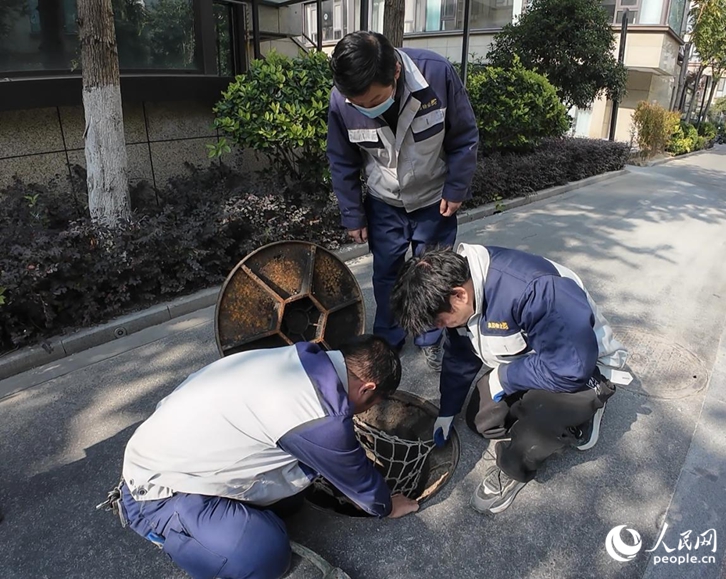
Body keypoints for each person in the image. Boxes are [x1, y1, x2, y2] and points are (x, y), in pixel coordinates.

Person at [110, 335, 418, 579]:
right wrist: (387, 506)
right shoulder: (319, 414)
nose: (364, 412)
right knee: (264, 556)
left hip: (170, 450)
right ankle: (173, 532)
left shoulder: (302, 357)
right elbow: (359, 480)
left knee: (293, 501)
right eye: (371, 403)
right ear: (367, 388)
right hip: (157, 492)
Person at [390, 244, 631, 514]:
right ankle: (548, 416)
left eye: (440, 322)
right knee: (481, 421)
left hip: (584, 367)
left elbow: (572, 367)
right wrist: (447, 411)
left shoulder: (536, 290)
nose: (440, 328)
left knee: (539, 423)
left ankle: (574, 419)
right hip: (531, 362)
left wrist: (505, 378)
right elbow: (459, 356)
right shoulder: (461, 290)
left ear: (458, 295)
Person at [326, 31, 479, 370]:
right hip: (384, 203)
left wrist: (456, 189)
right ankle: (388, 340)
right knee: (386, 275)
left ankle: (430, 337)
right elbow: (342, 161)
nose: (366, 109)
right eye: (359, 105)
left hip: (433, 198)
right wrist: (353, 214)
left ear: (395, 71)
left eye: (374, 100)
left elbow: (464, 135)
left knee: (432, 275)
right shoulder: (342, 101)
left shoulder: (436, 75)